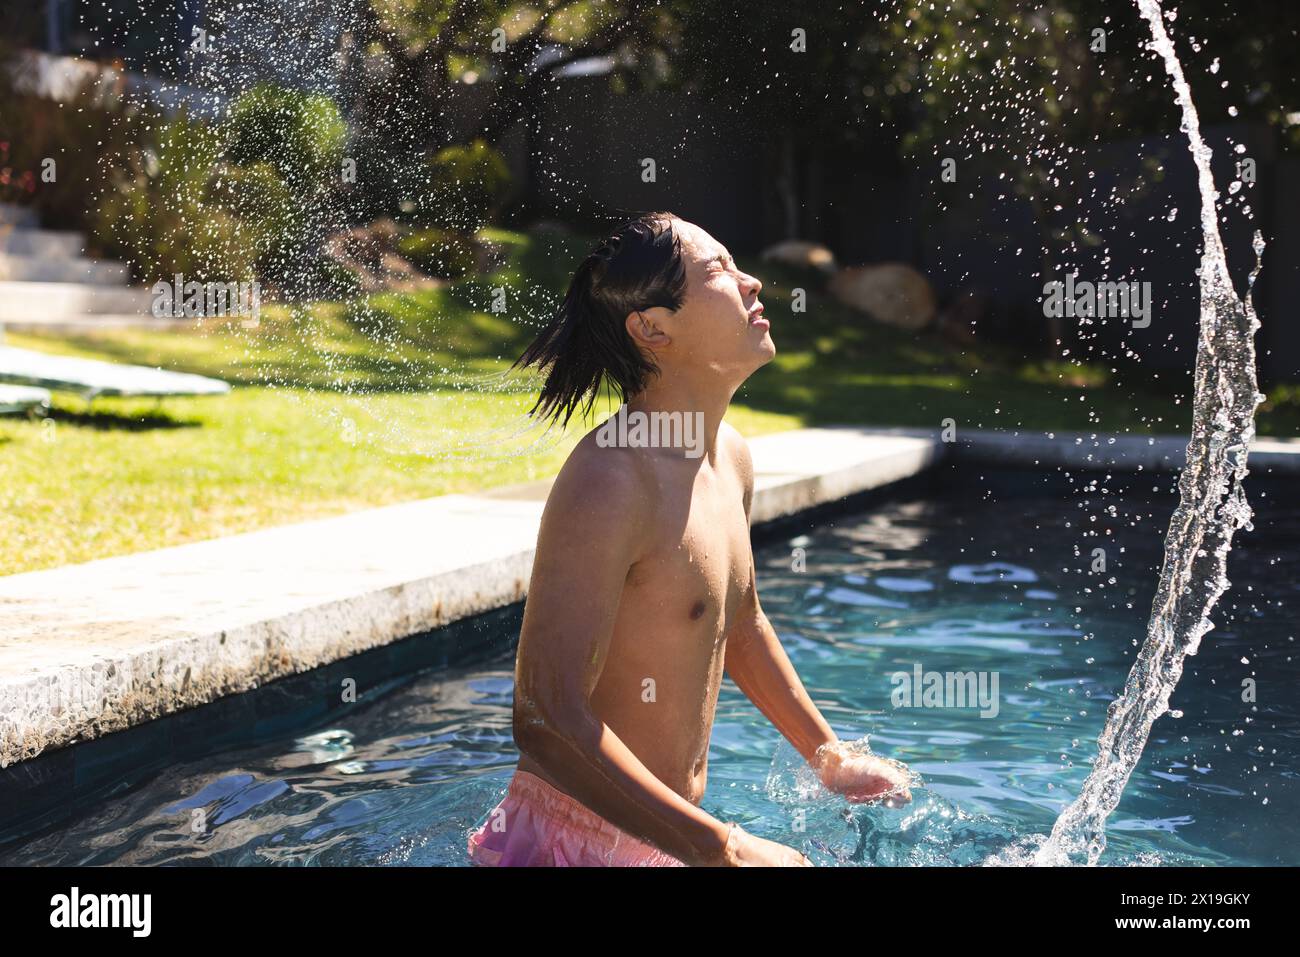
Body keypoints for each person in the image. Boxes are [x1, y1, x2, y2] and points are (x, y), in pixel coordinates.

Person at [466, 211, 912, 867]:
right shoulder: (611, 480)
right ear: (652, 328)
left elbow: (739, 622)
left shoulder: (729, 457)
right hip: (575, 843)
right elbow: (544, 714)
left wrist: (830, 756)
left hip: (667, 837)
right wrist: (723, 850)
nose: (752, 282)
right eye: (719, 271)